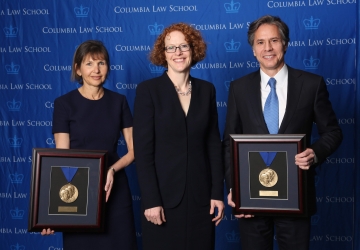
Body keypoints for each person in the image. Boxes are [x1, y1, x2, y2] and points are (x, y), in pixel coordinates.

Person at [223, 15, 342, 250]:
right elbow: (229, 142)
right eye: (260, 42)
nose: (268, 48)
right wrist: (233, 187)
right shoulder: (239, 88)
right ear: (253, 50)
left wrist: (314, 153)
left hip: (295, 196)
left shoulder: (311, 84)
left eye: (274, 40)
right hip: (250, 197)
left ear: (285, 44)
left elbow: (333, 132)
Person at [133, 22, 224, 249]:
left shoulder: (207, 90)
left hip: (201, 200)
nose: (178, 53)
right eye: (171, 48)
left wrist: (217, 194)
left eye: (183, 46)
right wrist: (151, 200)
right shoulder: (148, 91)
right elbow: (143, 153)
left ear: (193, 49)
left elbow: (213, 145)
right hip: (162, 200)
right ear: (163, 54)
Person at [41, 40, 137, 249]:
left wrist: (112, 169)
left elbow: (134, 150)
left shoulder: (119, 101)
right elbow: (61, 159)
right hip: (77, 194)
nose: (96, 70)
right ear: (78, 69)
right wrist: (50, 214)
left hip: (115, 190)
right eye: (89, 64)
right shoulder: (64, 104)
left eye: (101, 63)